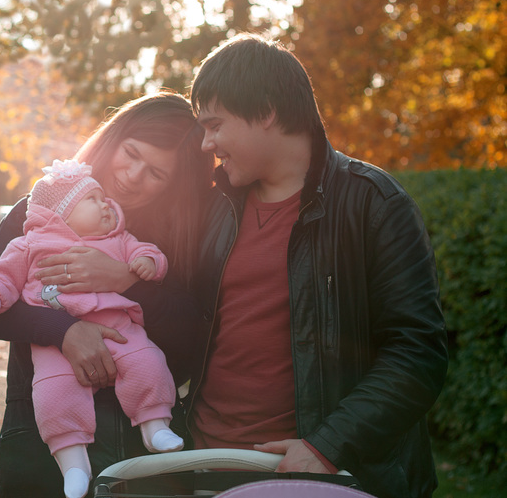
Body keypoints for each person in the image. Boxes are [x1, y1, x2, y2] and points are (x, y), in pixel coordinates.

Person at [184, 32, 448, 498]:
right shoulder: (213, 209)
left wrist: (327, 446)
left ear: (265, 111)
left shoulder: (374, 203)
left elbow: (417, 353)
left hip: (319, 477)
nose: (207, 143)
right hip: (202, 467)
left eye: (215, 125)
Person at [0, 92, 212, 497]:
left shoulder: (176, 237)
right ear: (113, 139)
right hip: (40, 436)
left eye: (156, 172)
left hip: (143, 437)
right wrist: (63, 330)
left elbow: (195, 333)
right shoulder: (36, 216)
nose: (134, 175)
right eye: (131, 153)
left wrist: (125, 281)